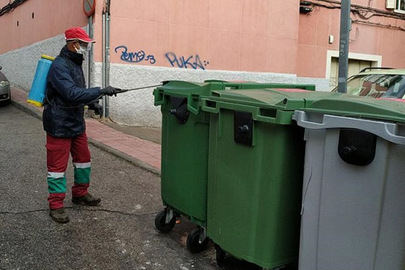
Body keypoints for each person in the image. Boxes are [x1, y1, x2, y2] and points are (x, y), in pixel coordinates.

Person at [43, 27, 119, 223]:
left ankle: (80, 194)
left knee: (83, 160)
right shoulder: (59, 66)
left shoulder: (76, 63)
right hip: (58, 124)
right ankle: (56, 205)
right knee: (57, 168)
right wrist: (101, 91)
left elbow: (78, 91)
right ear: (72, 43)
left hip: (75, 121)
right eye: (83, 43)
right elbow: (71, 93)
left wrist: (92, 102)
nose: (85, 47)